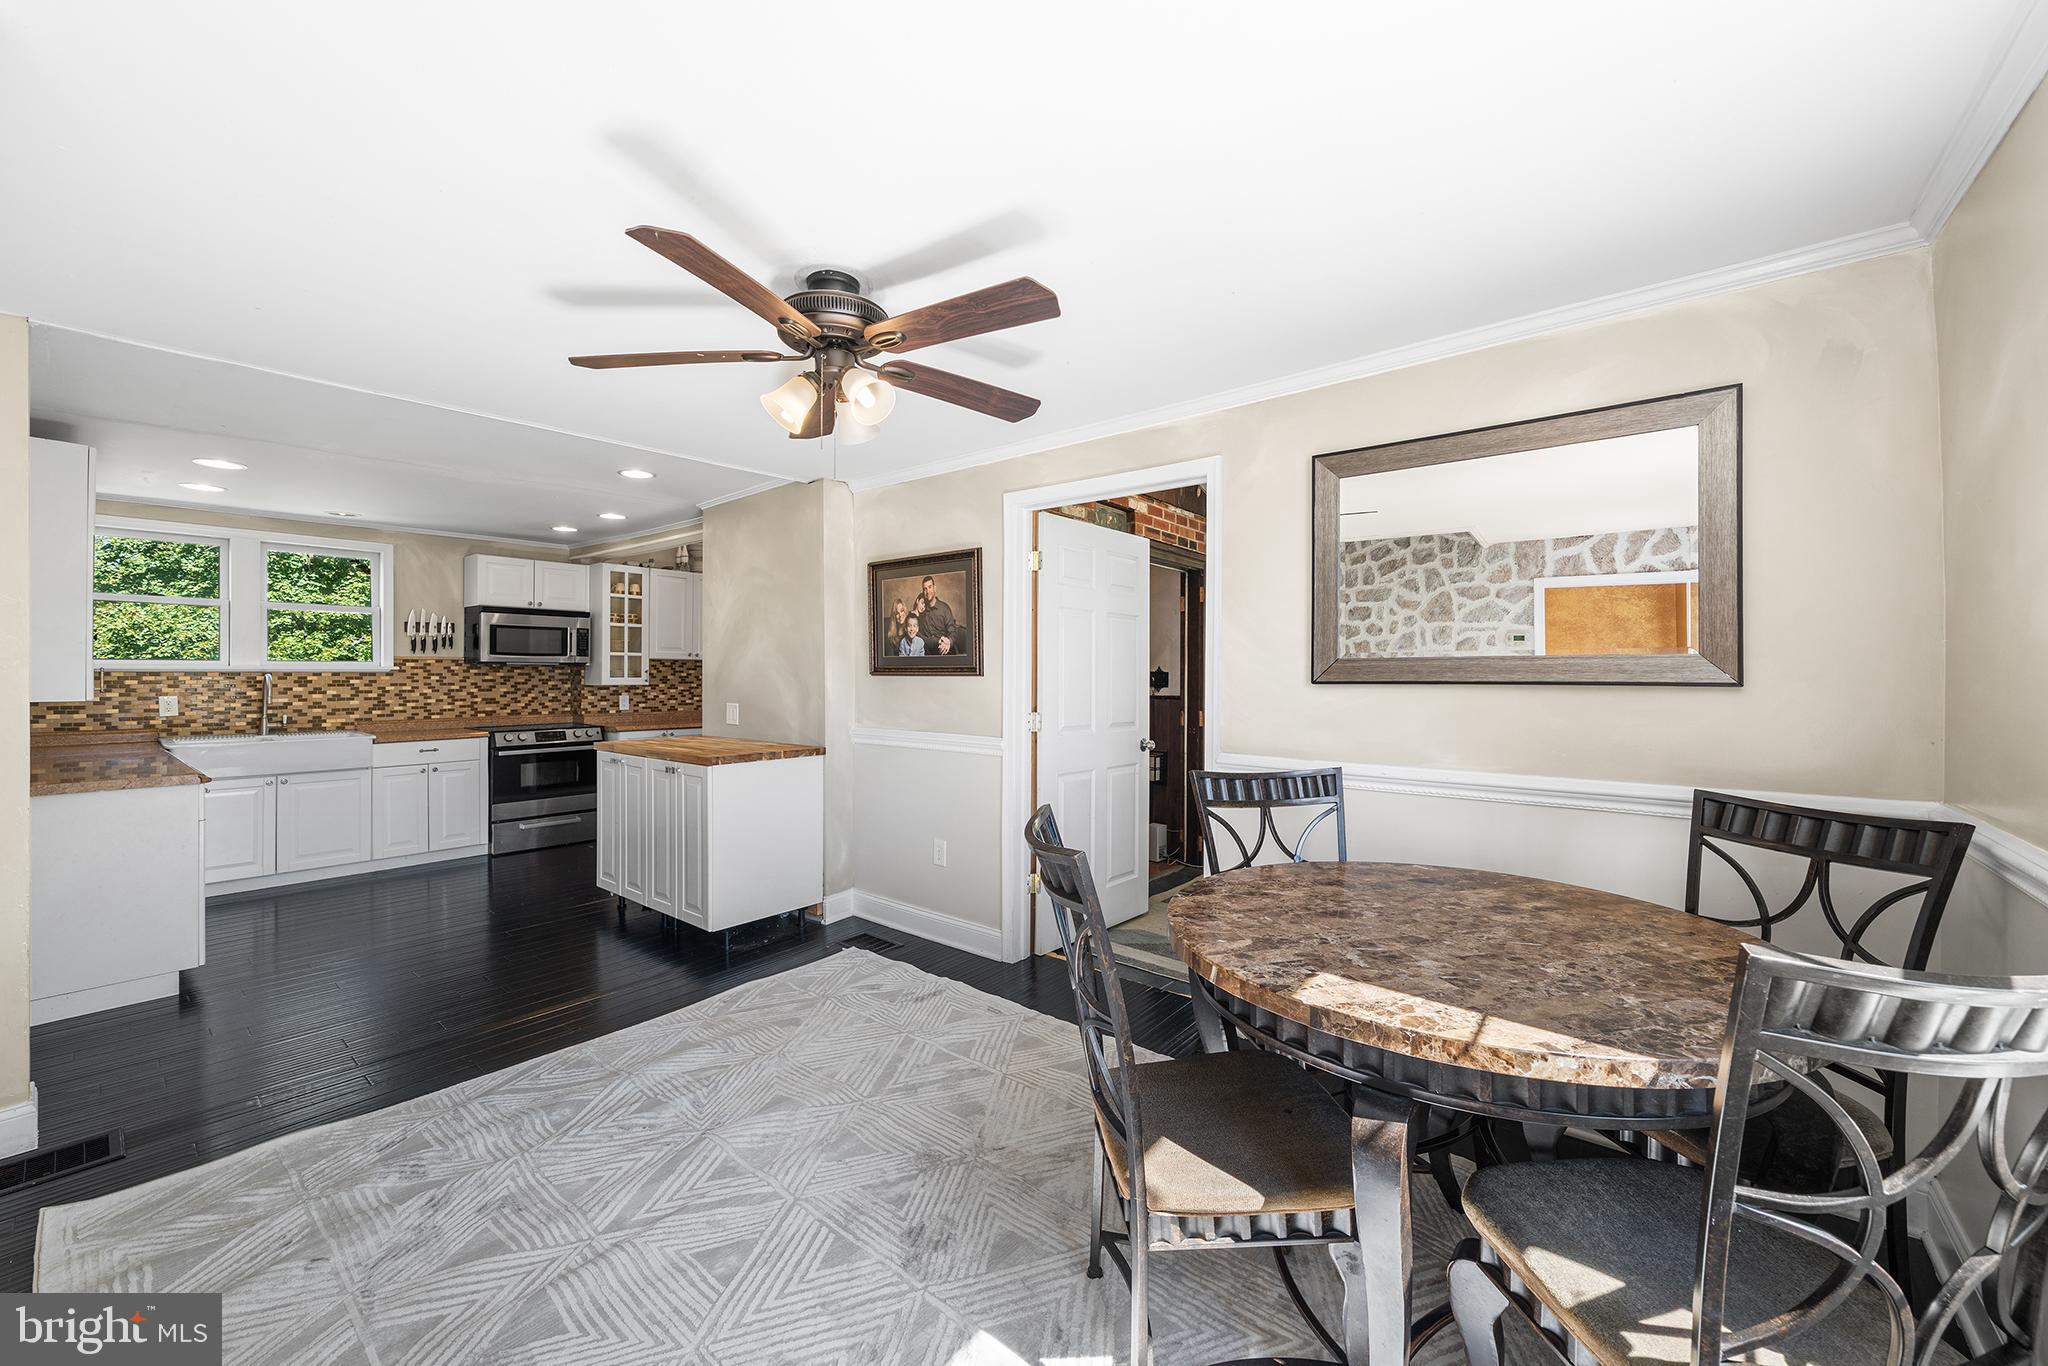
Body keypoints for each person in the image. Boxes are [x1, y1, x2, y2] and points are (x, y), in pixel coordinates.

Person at [914, 575, 956, 653]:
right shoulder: (922, 609)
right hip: (927, 651)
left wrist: (948, 642)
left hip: (943, 649)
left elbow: (952, 631)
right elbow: (913, 627)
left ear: (934, 588)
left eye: (930, 587)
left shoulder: (945, 608)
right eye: (925, 589)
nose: (927, 591)